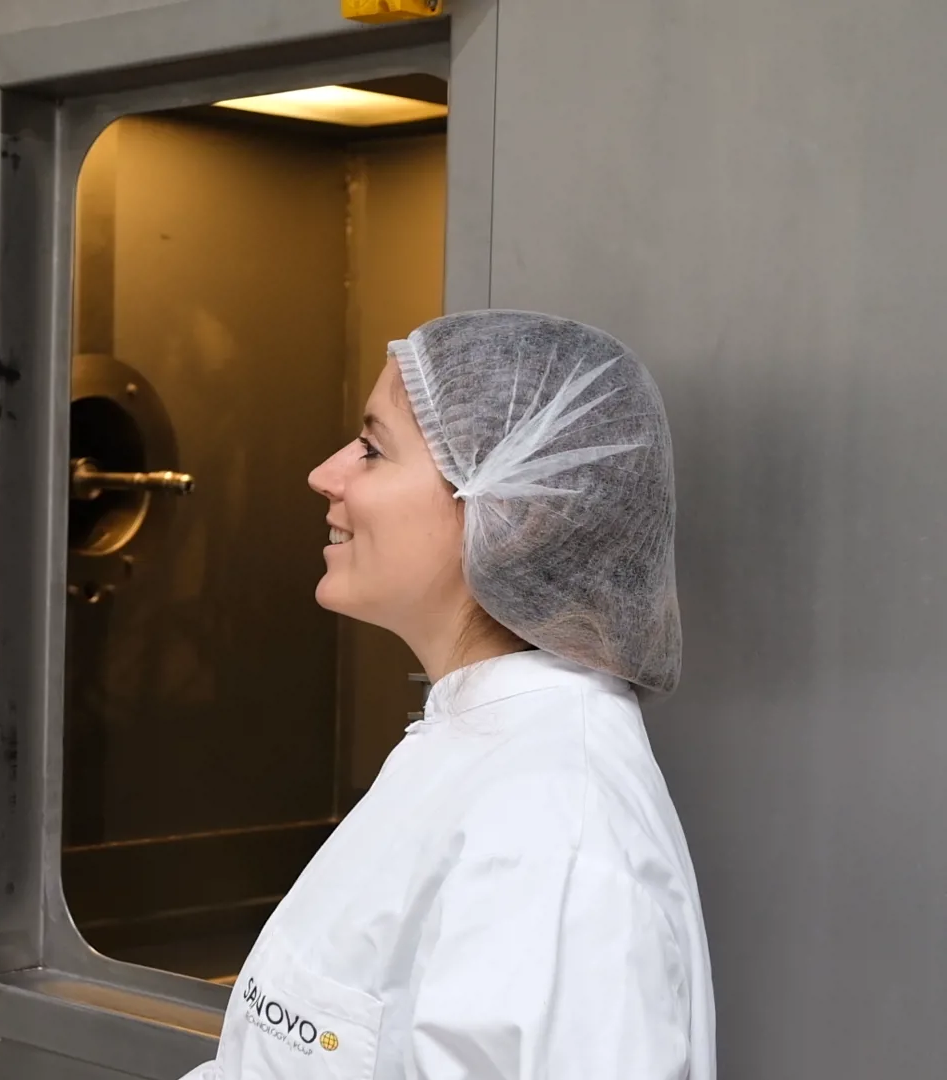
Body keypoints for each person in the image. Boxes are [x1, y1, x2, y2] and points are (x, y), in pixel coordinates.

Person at [185, 311, 713, 1079]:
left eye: (372, 448)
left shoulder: (554, 832)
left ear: (515, 512)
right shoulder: (470, 745)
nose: (325, 474)